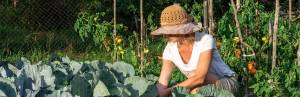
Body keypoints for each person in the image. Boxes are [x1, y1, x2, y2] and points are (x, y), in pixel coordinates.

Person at [151, 4, 239, 97]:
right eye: (166, 30)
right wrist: (153, 94)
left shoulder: (205, 40)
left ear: (183, 28)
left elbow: (199, 78)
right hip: (198, 85)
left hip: (226, 83)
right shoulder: (169, 49)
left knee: (194, 86)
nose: (167, 34)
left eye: (170, 30)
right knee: (193, 89)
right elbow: (162, 83)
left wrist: (170, 91)